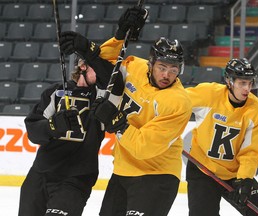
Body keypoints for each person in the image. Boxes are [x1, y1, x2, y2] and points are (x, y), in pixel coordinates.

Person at [59, 6, 193, 216]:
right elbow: (106, 63)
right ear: (151, 63)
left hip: (157, 175)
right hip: (122, 170)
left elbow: (143, 147)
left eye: (173, 69)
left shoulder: (178, 102)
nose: (167, 74)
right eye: (162, 67)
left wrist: (116, 121)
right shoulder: (136, 67)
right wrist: (117, 36)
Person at [18, 56, 121, 216]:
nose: (102, 72)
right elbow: (33, 132)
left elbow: (116, 88)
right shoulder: (55, 92)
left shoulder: (103, 97)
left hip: (76, 177)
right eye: (97, 67)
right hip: (40, 173)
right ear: (83, 66)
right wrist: (52, 126)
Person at [185, 58, 258, 216]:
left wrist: (244, 180)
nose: (247, 88)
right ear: (229, 81)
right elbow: (175, 102)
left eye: (250, 83)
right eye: (242, 83)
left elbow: (252, 152)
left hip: (235, 174)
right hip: (203, 169)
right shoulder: (209, 94)